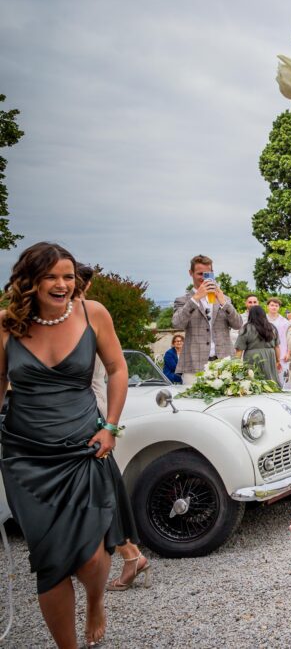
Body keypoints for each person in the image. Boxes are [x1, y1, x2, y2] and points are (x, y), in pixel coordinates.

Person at [0, 242, 136, 648]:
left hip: (83, 447)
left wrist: (110, 425)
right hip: (26, 455)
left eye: (68, 276)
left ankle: (95, 600)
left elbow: (117, 368)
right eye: (52, 277)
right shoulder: (7, 324)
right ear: (31, 280)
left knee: (92, 556)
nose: (62, 284)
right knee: (51, 561)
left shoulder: (93, 314)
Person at [76, 264, 154, 594]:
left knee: (96, 492)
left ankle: (128, 554)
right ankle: (129, 554)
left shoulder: (85, 321)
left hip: (87, 413)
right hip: (91, 408)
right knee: (99, 490)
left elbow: (113, 368)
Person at [171, 255, 242, 385]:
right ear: (190, 273)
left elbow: (238, 324)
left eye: (207, 274)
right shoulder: (183, 300)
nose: (204, 277)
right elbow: (177, 323)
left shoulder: (224, 298)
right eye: (199, 274)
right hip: (193, 366)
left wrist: (223, 302)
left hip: (224, 364)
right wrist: (196, 298)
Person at [234, 305, 281, 383]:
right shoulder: (272, 327)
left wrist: (235, 365)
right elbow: (277, 347)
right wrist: (278, 360)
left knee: (254, 382)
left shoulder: (246, 329)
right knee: (271, 382)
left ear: (250, 315)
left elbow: (239, 350)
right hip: (269, 356)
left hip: (252, 358)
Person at [266, 297, 290, 384]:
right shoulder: (263, 320)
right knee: (269, 380)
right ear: (267, 306)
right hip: (267, 353)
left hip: (282, 354)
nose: (274, 307)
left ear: (279, 307)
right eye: (272, 305)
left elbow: (289, 338)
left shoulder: (284, 321)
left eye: (276, 305)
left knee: (283, 380)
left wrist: (289, 352)